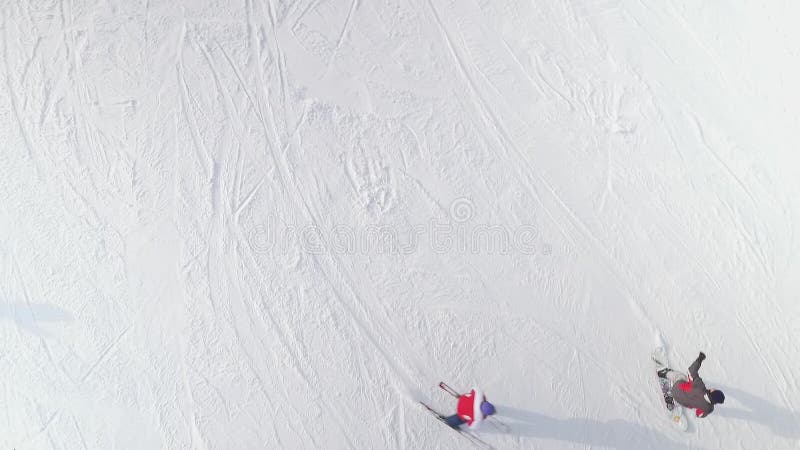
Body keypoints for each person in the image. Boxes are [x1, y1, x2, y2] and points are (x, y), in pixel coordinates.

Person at [658, 352, 725, 418]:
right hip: (682, 402)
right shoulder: (709, 409)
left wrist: (699, 359)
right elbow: (698, 414)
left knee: (681, 376)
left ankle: (664, 373)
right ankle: (674, 400)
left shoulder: (700, 386)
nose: (713, 388)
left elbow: (691, 371)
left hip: (677, 388)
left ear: (713, 393)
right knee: (689, 395)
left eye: (714, 390)